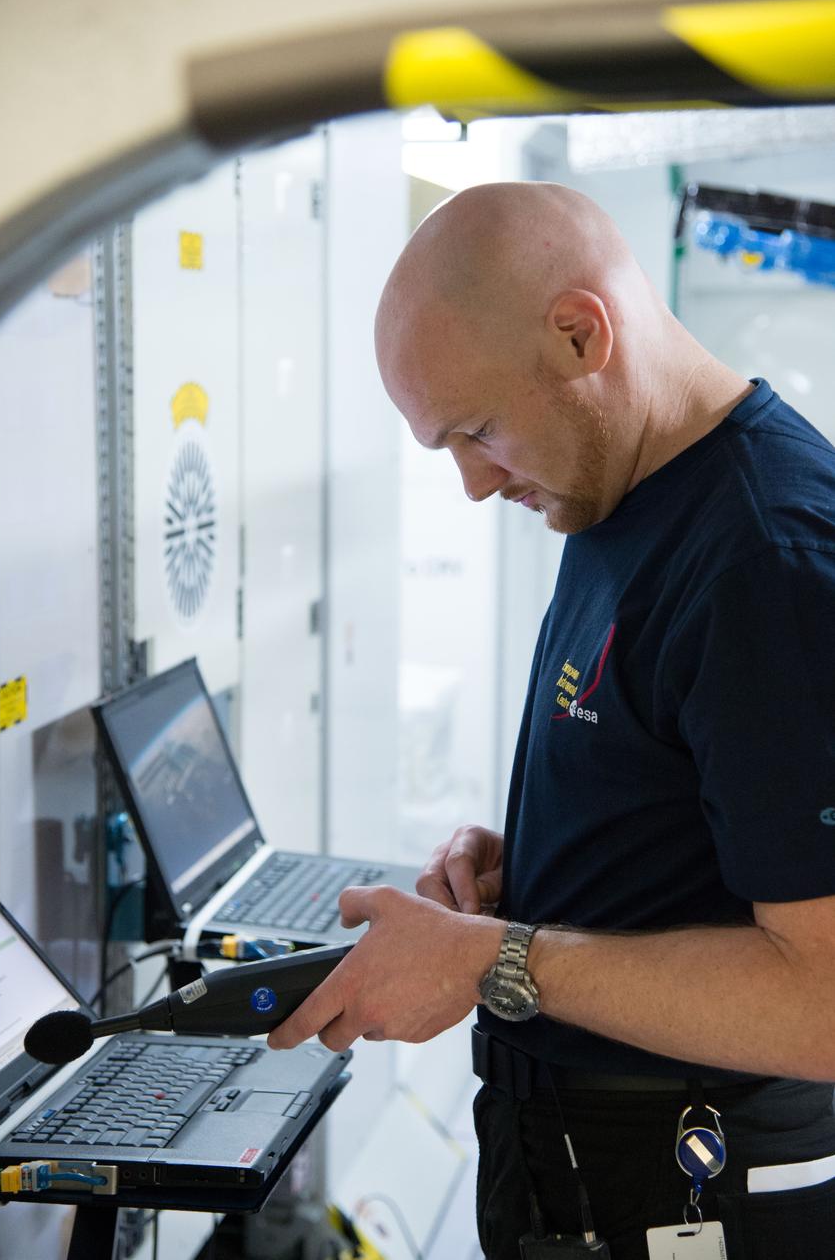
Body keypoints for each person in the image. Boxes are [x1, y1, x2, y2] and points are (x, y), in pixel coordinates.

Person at [269, 182, 835, 1258]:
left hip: (696, 1197)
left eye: (476, 432)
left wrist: (492, 956)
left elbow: (822, 996)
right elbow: (683, 797)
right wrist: (523, 863)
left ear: (581, 333)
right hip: (577, 1180)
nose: (475, 484)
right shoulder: (622, 496)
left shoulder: (768, 560)